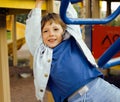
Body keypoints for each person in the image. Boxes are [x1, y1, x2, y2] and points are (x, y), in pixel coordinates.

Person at [25, 0, 120, 102]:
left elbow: (71, 16)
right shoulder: (42, 52)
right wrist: (38, 4)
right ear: (41, 35)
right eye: (46, 31)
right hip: (74, 99)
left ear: (64, 31)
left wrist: (60, 1)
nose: (51, 34)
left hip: (98, 88)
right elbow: (33, 33)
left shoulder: (72, 40)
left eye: (55, 29)